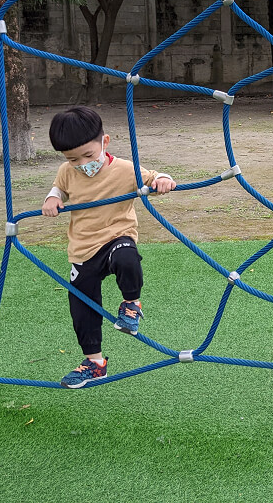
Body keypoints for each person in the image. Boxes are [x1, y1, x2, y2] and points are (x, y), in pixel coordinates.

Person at [42, 106, 176, 388]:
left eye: (88, 156)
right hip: (83, 247)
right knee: (81, 305)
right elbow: (59, 188)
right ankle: (94, 362)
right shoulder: (68, 171)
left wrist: (163, 179)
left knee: (127, 257)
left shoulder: (125, 169)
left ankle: (131, 303)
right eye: (72, 158)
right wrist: (52, 199)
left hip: (117, 235)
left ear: (104, 142)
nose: (82, 163)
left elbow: (152, 176)